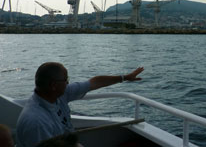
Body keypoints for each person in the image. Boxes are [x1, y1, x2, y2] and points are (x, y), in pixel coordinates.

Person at [16, 62, 144, 147]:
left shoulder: (58, 95)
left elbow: (94, 82)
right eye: (66, 79)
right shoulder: (36, 122)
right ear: (53, 85)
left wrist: (124, 77)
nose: (68, 83)